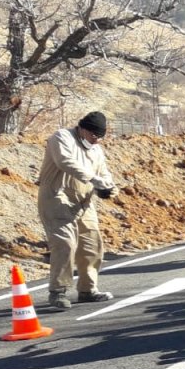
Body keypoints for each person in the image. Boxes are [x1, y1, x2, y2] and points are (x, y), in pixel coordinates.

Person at [37, 111, 118, 310]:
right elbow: (65, 162)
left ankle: (88, 290)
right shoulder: (61, 137)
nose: (96, 141)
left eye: (100, 137)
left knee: (92, 243)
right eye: (93, 136)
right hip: (57, 196)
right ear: (83, 129)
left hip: (84, 201)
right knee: (65, 243)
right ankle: (58, 291)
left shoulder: (96, 150)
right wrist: (95, 180)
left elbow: (103, 172)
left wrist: (108, 186)